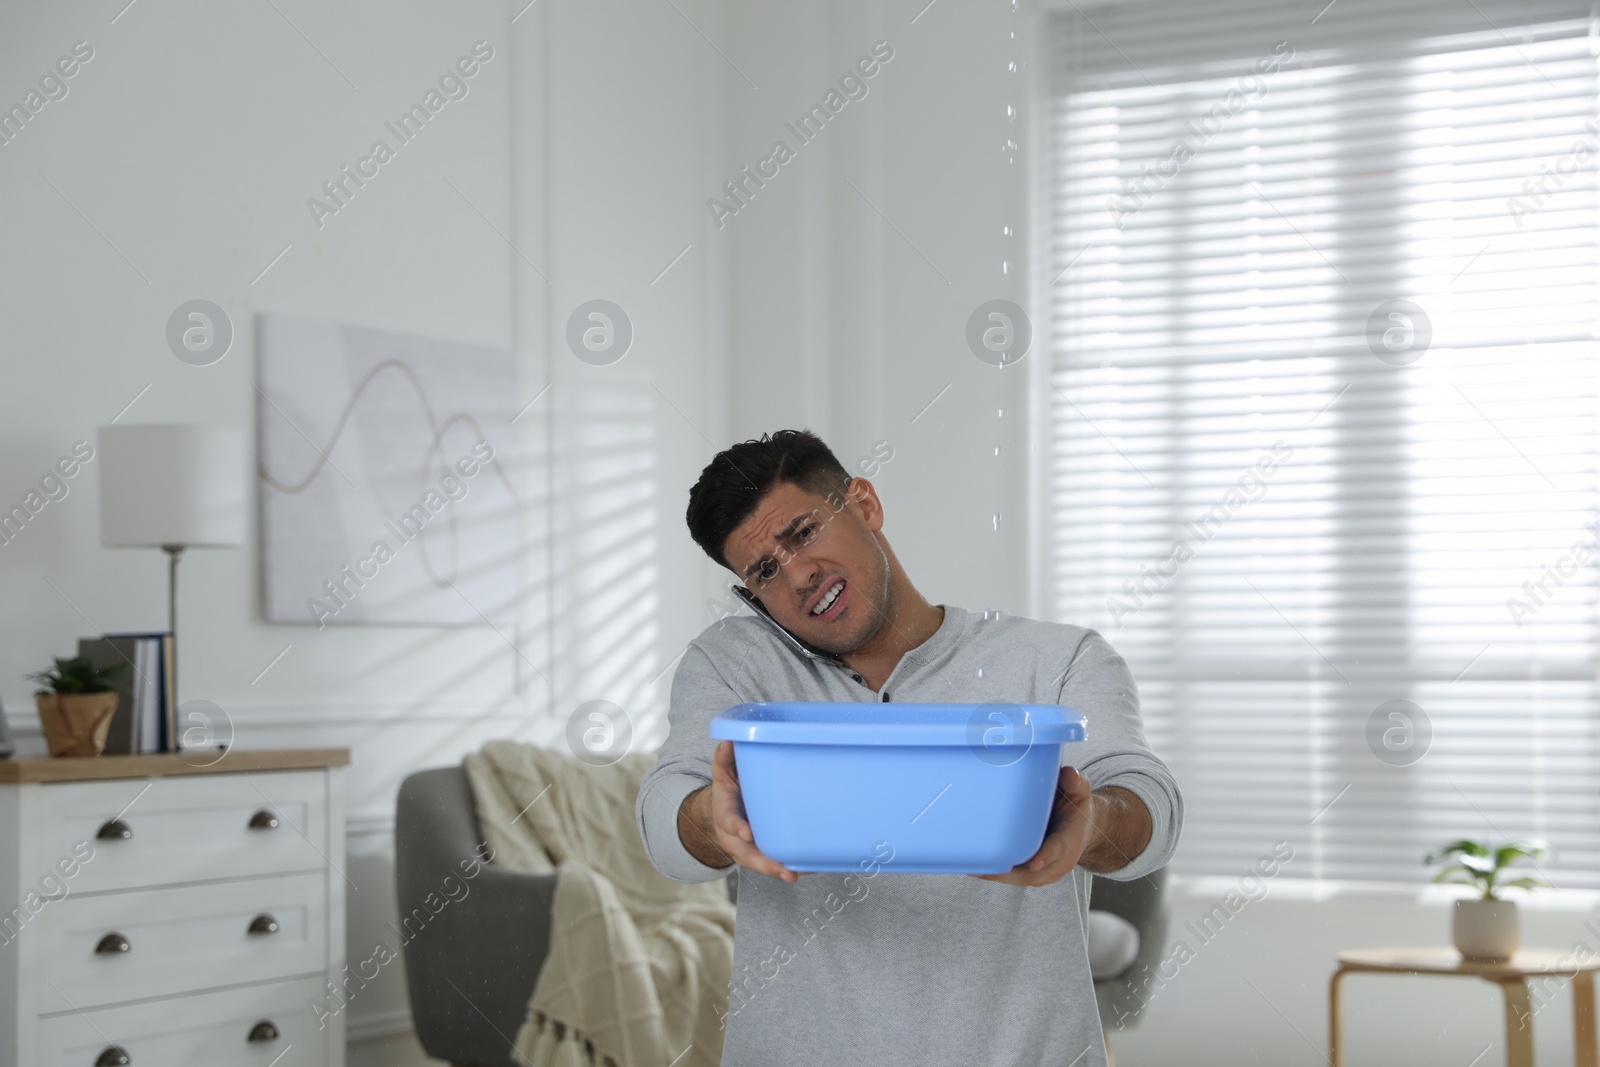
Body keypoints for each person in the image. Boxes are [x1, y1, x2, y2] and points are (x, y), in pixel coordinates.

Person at [635, 429, 1183, 1067]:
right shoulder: (736, 666)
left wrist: (1091, 826)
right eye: (765, 571)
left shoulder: (1056, 660)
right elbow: (665, 824)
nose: (799, 575)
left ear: (864, 504)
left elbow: (1151, 807)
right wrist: (711, 818)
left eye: (803, 533)